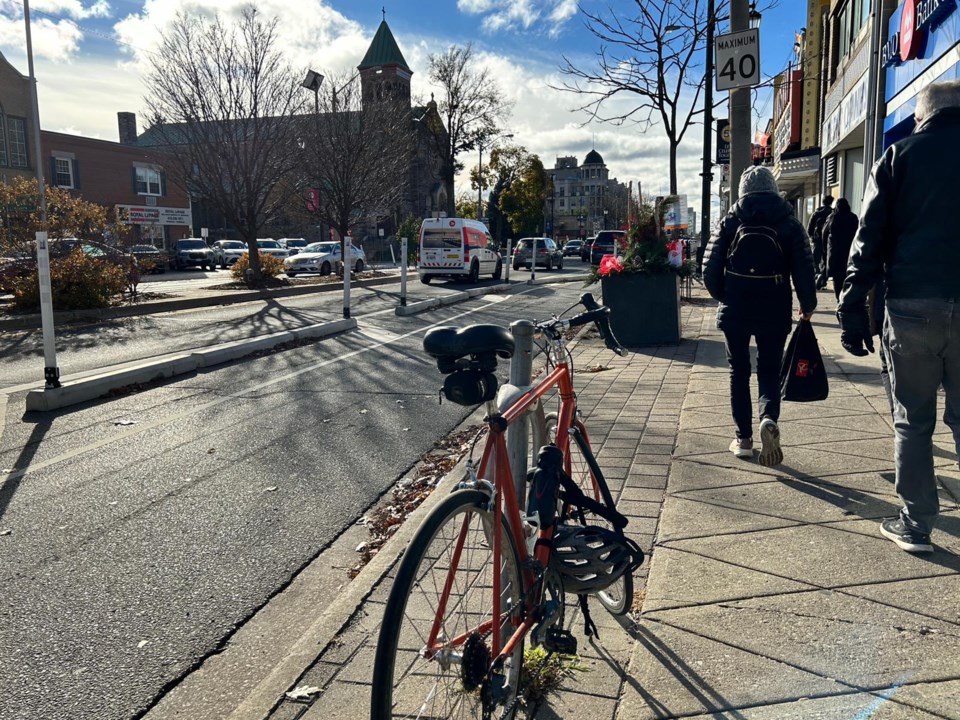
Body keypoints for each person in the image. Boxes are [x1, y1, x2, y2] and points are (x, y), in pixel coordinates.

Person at [837, 80, 960, 554]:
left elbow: (868, 241)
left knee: (914, 419)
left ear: (924, 115)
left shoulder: (899, 157)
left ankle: (917, 523)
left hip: (912, 305)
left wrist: (851, 309)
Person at [704, 166, 818, 466]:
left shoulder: (730, 221)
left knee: (738, 371)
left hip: (736, 309)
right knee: (769, 369)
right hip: (774, 307)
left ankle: (743, 439)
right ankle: (768, 418)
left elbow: (710, 269)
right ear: (772, 189)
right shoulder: (788, 223)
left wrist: (725, 295)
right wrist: (808, 305)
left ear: (742, 192)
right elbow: (805, 269)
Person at [823, 198, 859, 300]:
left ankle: (839, 299)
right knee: (847, 275)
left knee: (837, 278)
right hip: (848, 252)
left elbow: (824, 234)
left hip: (835, 252)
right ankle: (846, 297)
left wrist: (825, 249)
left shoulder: (832, 217)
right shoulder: (853, 217)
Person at [807, 194, 833, 288]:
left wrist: (812, 237)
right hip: (828, 241)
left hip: (818, 240)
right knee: (825, 259)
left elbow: (810, 227)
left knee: (815, 260)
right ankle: (823, 278)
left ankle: (817, 275)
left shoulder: (817, 213)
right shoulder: (832, 213)